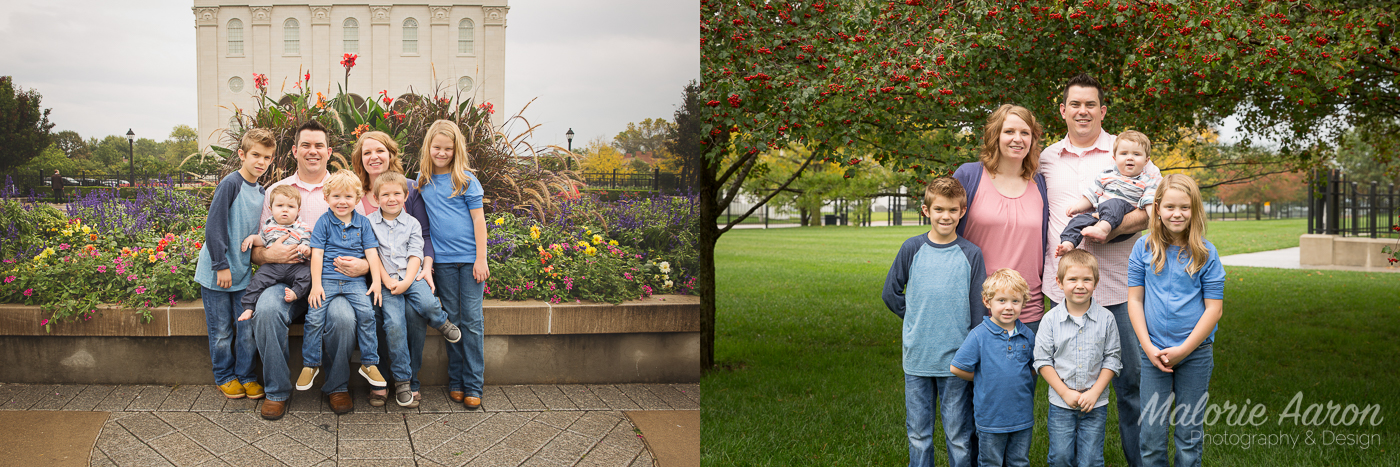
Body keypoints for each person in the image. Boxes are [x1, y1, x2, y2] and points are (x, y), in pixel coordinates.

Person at [1040, 73, 1158, 467]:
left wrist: (1108, 228)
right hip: (1064, 293)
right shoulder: (1046, 159)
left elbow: (1149, 212)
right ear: (1063, 110)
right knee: (1065, 383)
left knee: (1131, 384)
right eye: (1075, 104)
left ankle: (1140, 461)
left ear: (1103, 110)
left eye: (1091, 104)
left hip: (1120, 290)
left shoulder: (1128, 150)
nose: (1083, 111)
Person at [251, 120, 369, 420]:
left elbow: (368, 245)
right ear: (294, 150)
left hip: (333, 280)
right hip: (283, 276)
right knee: (265, 310)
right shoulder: (277, 191)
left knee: (343, 318)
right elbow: (257, 245)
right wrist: (267, 253)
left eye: (319, 146)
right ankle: (277, 390)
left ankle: (337, 385)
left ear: (329, 152)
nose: (312, 151)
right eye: (306, 145)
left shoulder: (345, 189)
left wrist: (364, 265)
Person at [881, 177, 985, 467]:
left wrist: (972, 355)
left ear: (962, 212)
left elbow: (978, 309)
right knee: (918, 434)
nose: (946, 216)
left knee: (959, 436)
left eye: (953, 210)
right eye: (939, 209)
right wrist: (916, 316)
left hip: (956, 361)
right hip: (917, 358)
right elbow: (891, 293)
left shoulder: (971, 254)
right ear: (926, 210)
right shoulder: (911, 248)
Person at [1128, 174, 1225, 467]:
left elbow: (1214, 309)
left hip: (1195, 354)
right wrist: (1147, 348)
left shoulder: (1206, 253)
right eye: (1170, 206)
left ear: (1195, 210)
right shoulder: (1142, 248)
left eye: (1184, 207)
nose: (1177, 213)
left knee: (1189, 435)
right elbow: (1134, 301)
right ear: (1157, 208)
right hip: (1153, 353)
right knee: (1151, 437)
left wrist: (1184, 350)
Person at [350, 130, 439, 405]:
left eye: (380, 151)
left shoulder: (409, 188)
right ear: (360, 159)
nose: (374, 157)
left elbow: (423, 234)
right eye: (367, 152)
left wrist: (426, 267)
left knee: (413, 315)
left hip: (409, 271)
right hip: (371, 274)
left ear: (391, 154)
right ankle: (382, 379)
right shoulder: (355, 192)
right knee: (376, 314)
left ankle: (410, 379)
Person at [366, 171, 463, 407]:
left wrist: (407, 281)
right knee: (395, 326)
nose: (391, 199)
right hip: (386, 281)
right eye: (385, 194)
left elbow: (415, 254)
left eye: (397, 193)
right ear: (376, 198)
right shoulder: (368, 222)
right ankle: (402, 381)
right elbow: (372, 255)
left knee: (429, 303)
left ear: (406, 195)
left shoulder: (412, 223)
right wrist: (387, 282)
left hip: (411, 276)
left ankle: (441, 322)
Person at [954, 104, 1050, 334]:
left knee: (1024, 371)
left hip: (1027, 310)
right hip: (977, 308)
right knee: (973, 371)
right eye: (1009, 132)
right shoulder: (968, 176)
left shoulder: (1041, 184)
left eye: (1025, 133)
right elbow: (943, 236)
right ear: (995, 136)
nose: (1017, 139)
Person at [193, 128, 273, 400]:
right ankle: (224, 376)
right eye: (255, 155)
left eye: (267, 157)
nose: (261, 162)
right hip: (219, 272)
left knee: (246, 328)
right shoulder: (231, 183)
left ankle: (247, 376)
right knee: (221, 330)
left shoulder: (261, 191)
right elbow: (214, 225)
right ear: (242, 154)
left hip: (241, 273)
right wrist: (220, 264)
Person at [417, 119, 491, 410]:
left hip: (470, 262)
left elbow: (478, 220)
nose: (442, 153)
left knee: (472, 322)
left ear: (456, 149)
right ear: (429, 148)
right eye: (437, 147)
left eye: (448, 148)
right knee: (453, 322)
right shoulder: (424, 183)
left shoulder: (466, 180)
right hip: (444, 264)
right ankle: (456, 381)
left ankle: (474, 384)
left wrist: (481, 258)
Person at [1035, 249, 1122, 467]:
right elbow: (1042, 361)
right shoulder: (1050, 320)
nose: (1080, 285)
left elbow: (1112, 359)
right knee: (1060, 457)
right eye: (1072, 279)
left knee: (1091, 459)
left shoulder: (1107, 319)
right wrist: (1064, 392)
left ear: (1096, 282)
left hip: (1095, 403)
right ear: (1059, 282)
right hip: (1061, 403)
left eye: (1086, 279)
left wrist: (1095, 393)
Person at [302, 170, 386, 393]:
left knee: (367, 315)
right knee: (314, 316)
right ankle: (310, 364)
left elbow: (372, 253)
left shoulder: (363, 223)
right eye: (336, 196)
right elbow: (317, 254)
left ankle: (369, 363)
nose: (342, 202)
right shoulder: (324, 222)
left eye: (348, 197)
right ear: (326, 197)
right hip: (328, 280)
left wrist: (375, 282)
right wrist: (316, 284)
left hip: (355, 282)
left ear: (357, 200)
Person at [950, 269, 1036, 467]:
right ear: (988, 302)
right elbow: (956, 367)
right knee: (990, 462)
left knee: (1020, 461)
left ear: (1024, 303)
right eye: (1001, 301)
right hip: (990, 418)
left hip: (1022, 417)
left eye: (1015, 301)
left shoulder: (1027, 335)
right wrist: (982, 376)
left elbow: (1033, 367)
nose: (1008, 307)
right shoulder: (979, 335)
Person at [1056, 131, 1162, 257]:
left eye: (1136, 154)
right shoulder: (1107, 174)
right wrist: (1077, 207)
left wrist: (1155, 220)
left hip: (1122, 220)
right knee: (1079, 220)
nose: (1130, 157)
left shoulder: (1147, 180)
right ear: (1115, 158)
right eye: (1124, 153)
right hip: (1099, 215)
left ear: (1146, 161)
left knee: (1115, 203)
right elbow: (1093, 193)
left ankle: (1102, 229)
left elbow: (1149, 202)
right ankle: (1068, 244)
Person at [236, 185, 312, 322]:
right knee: (257, 280)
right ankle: (248, 307)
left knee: (308, 275)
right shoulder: (268, 227)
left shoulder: (303, 228)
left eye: (290, 207)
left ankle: (296, 292)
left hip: (295, 267)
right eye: (280, 205)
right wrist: (251, 239)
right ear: (270, 209)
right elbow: (261, 240)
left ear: (298, 210)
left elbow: (307, 244)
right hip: (272, 266)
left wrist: (305, 249)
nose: (285, 209)